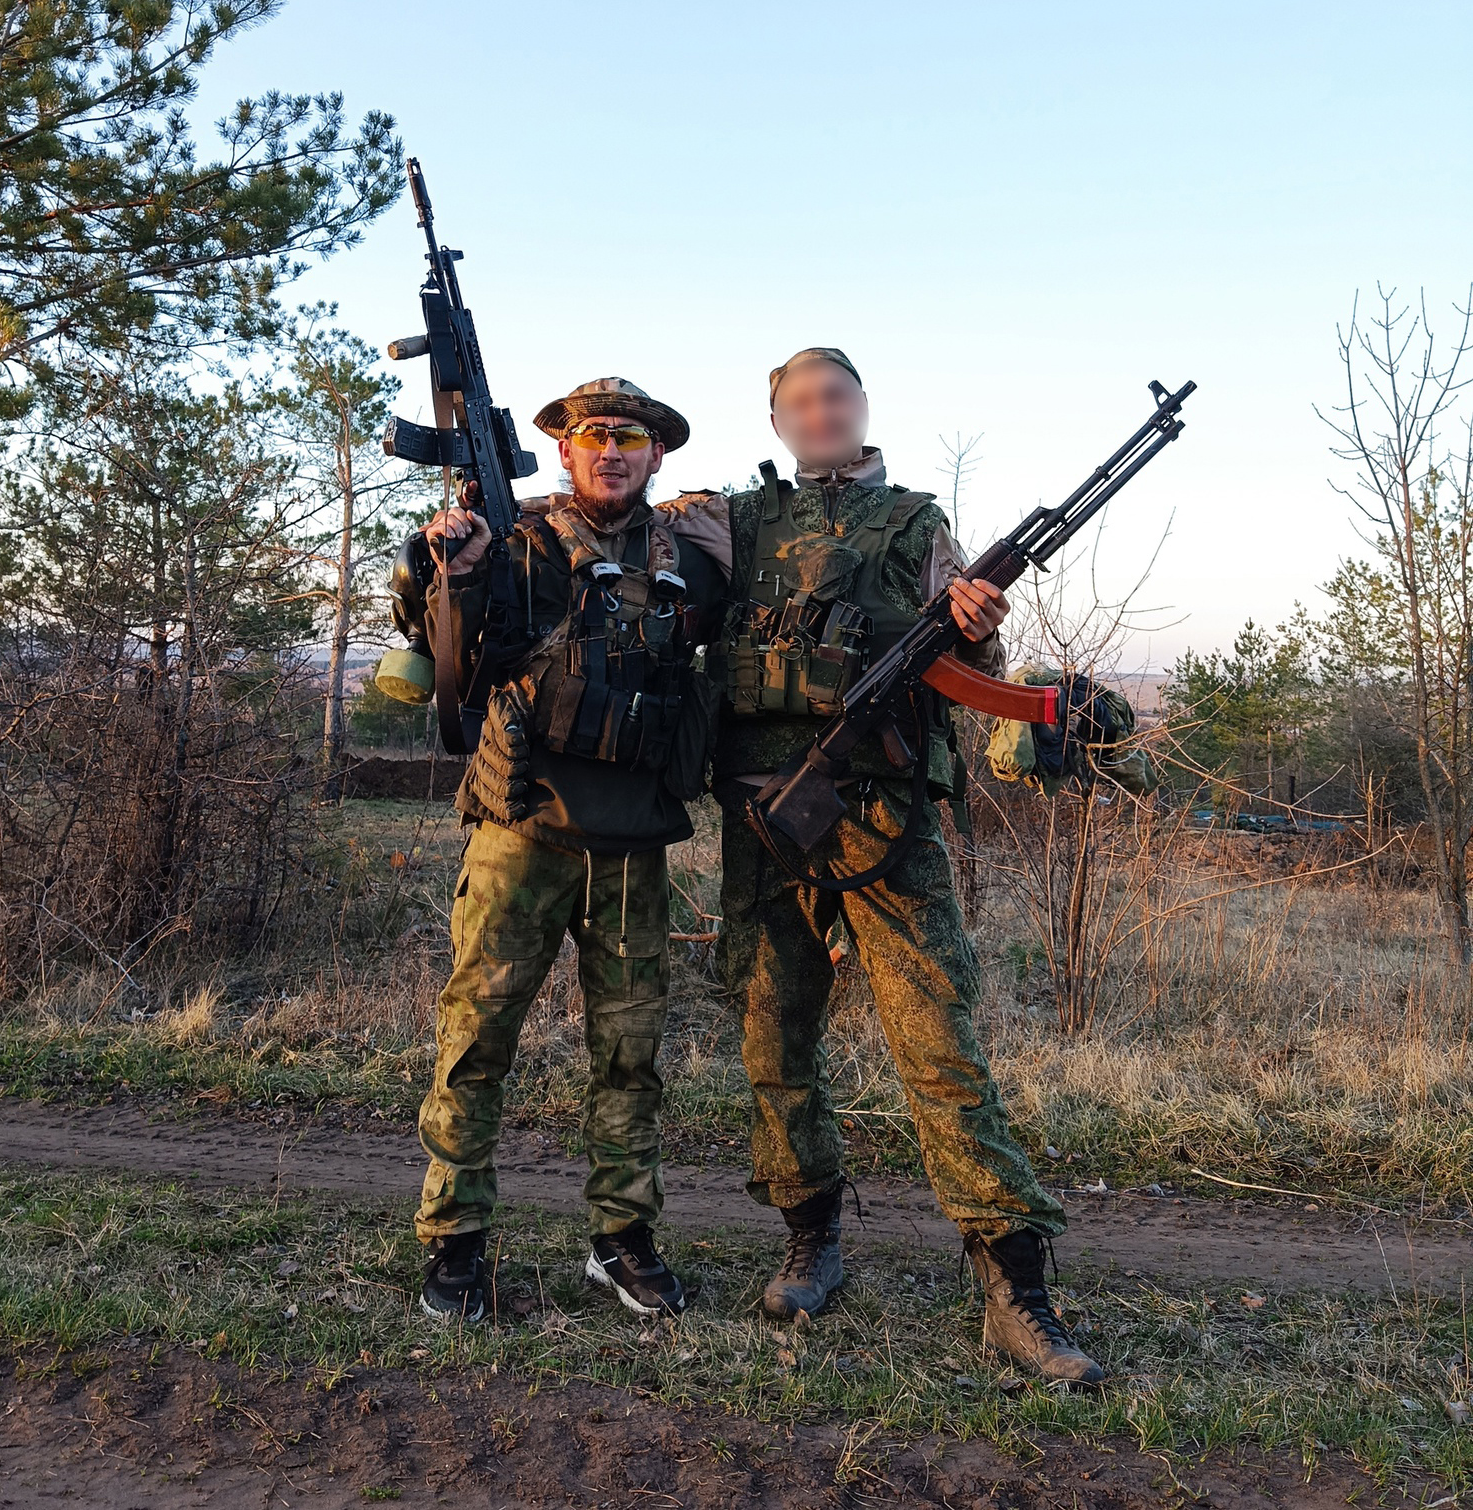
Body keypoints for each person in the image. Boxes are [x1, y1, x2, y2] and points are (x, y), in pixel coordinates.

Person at [656, 348, 1104, 1383]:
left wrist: (983, 638)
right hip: (768, 818)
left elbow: (972, 667)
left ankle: (1012, 1286)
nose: (820, 413)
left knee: (937, 1049)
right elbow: (619, 521)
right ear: (775, 421)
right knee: (771, 1037)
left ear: (861, 409)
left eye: (836, 397)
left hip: (885, 820)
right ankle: (810, 1238)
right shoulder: (730, 518)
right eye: (799, 402)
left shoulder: (916, 524)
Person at [414, 377, 727, 1323]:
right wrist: (455, 572)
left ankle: (621, 1240)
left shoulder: (695, 559)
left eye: (630, 436)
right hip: (522, 827)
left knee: (630, 1054)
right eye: (592, 435)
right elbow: (451, 655)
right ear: (564, 449)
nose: (611, 450)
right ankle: (456, 1239)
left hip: (632, 842)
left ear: (656, 454)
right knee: (478, 1039)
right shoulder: (515, 543)